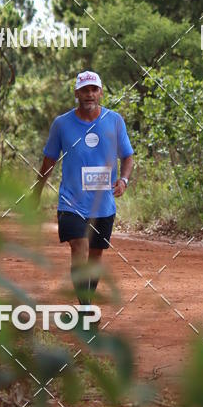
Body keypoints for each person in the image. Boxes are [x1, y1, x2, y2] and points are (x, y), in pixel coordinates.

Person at [35, 70, 134, 305]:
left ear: (100, 92)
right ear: (77, 93)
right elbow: (49, 160)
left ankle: (87, 296)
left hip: (103, 205)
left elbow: (128, 157)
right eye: (84, 90)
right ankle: (86, 306)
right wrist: (36, 191)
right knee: (79, 246)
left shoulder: (114, 121)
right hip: (71, 202)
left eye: (94, 89)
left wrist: (124, 180)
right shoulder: (61, 124)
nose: (89, 94)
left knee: (95, 255)